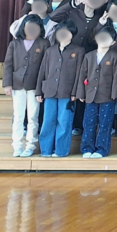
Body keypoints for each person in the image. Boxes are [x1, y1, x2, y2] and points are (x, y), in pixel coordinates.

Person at [35, 20, 84, 158]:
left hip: (67, 93)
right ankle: (46, 150)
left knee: (64, 122)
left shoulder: (78, 50)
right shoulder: (50, 50)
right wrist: (39, 91)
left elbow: (80, 73)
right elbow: (42, 71)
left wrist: (75, 92)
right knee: (48, 121)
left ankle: (61, 151)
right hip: (49, 91)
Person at [3, 15, 50, 157]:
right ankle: (17, 146)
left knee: (33, 117)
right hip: (17, 85)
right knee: (18, 116)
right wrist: (7, 84)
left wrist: (41, 88)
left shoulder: (44, 43)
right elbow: (8, 64)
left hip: (35, 86)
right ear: (23, 27)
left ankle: (30, 145)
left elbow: (45, 67)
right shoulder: (15, 44)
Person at [77, 28, 117, 158]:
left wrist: (115, 95)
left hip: (107, 95)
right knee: (88, 123)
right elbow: (82, 75)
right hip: (90, 95)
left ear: (113, 42)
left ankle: (101, 149)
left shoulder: (115, 56)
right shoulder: (88, 56)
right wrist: (81, 93)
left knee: (105, 124)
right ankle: (87, 148)